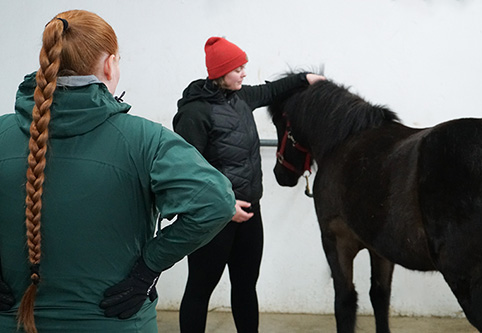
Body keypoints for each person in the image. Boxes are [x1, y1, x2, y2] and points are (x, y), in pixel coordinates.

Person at [0, 10, 237, 333]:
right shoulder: (145, 139)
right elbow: (217, 202)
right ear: (110, 64)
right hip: (115, 324)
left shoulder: (2, 133)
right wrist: (149, 267)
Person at [173, 36, 325, 332]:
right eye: (238, 68)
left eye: (244, 67)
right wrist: (225, 206)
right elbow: (186, 173)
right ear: (220, 73)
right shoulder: (195, 113)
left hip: (250, 213)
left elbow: (272, 89)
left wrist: (305, 78)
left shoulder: (241, 97)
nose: (244, 73)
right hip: (213, 219)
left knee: (245, 287)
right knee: (200, 289)